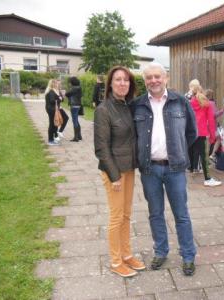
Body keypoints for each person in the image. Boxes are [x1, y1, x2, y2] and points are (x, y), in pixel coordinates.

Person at [132, 62, 198, 276]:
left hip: (175, 168)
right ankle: (160, 251)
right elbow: (133, 136)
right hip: (149, 169)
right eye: (149, 77)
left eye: (157, 76)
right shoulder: (137, 105)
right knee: (155, 214)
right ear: (145, 81)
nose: (154, 80)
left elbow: (192, 133)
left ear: (166, 78)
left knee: (182, 214)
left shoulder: (180, 102)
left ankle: (188, 256)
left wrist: (178, 152)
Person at [94, 66, 145, 278]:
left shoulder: (127, 106)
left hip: (129, 168)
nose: (122, 83)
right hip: (113, 171)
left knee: (126, 215)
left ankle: (126, 255)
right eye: (118, 80)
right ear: (110, 84)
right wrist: (114, 175)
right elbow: (101, 148)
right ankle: (116, 261)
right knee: (116, 217)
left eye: (125, 80)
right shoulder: (103, 109)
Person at [190, 91, 222, 186]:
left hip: (191, 132)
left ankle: (192, 169)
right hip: (202, 133)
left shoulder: (190, 103)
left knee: (191, 152)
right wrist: (212, 137)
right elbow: (211, 121)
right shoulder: (207, 105)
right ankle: (207, 179)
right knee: (204, 156)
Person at [205, 89, 224, 160]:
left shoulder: (204, 102)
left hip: (205, 125)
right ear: (211, 95)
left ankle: (205, 158)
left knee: (209, 141)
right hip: (212, 125)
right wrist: (223, 110)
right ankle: (212, 155)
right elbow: (214, 115)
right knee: (219, 138)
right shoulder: (211, 103)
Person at [44, 79, 62, 146]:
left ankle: (53, 139)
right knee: (52, 124)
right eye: (56, 83)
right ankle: (50, 140)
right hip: (51, 109)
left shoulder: (52, 91)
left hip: (52, 109)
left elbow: (57, 99)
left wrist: (59, 98)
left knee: (54, 124)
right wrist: (59, 99)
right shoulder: (51, 91)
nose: (57, 84)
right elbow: (52, 101)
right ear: (53, 84)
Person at [65, 76, 82, 142]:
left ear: (72, 82)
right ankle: (79, 136)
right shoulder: (79, 87)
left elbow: (67, 94)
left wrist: (68, 90)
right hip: (78, 105)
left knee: (75, 121)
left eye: (70, 82)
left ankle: (76, 137)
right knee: (76, 120)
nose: (69, 83)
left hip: (74, 105)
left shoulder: (74, 88)